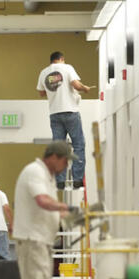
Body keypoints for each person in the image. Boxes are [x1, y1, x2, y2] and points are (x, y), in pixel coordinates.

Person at [12, 141, 80, 279]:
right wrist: (66, 207)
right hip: (33, 241)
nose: (66, 166)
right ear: (54, 157)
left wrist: (74, 218)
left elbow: (48, 210)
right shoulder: (35, 172)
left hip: (40, 241)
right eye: (66, 161)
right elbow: (42, 201)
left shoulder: (48, 178)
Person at [36, 51, 93, 189]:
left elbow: (41, 92)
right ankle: (78, 179)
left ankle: (60, 181)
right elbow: (75, 84)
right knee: (78, 145)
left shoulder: (44, 72)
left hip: (54, 114)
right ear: (61, 59)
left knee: (58, 148)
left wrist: (53, 90)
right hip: (70, 112)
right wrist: (85, 88)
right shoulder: (67, 68)